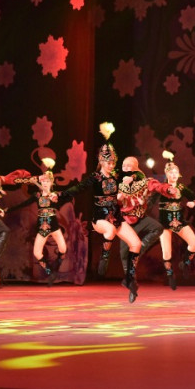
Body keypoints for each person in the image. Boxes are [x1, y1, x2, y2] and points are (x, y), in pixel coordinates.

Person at [60, 123, 143, 303]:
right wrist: (61, 194)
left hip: (116, 217)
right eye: (108, 162)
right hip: (100, 218)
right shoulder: (95, 177)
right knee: (110, 231)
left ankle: (129, 278)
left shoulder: (117, 175)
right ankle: (104, 257)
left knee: (136, 243)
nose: (111, 165)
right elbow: (79, 188)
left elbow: (139, 176)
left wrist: (132, 177)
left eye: (113, 162)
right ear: (101, 161)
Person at [16, 158, 68, 285]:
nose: (45, 183)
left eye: (47, 181)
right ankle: (50, 272)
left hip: (54, 226)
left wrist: (56, 197)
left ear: (51, 183)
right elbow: (23, 204)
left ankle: (56, 266)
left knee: (63, 249)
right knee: (37, 252)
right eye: (43, 181)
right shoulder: (37, 196)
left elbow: (63, 198)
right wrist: (7, 210)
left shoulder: (55, 195)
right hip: (42, 228)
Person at [154, 152, 195, 291]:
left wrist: (193, 203)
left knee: (194, 243)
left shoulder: (181, 188)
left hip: (178, 221)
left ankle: (185, 262)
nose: (174, 175)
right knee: (166, 253)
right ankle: (170, 275)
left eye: (176, 172)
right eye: (171, 172)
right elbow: (150, 200)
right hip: (164, 224)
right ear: (167, 174)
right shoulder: (161, 188)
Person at [117, 156, 164, 287]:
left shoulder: (141, 180)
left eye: (129, 166)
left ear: (135, 167)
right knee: (124, 253)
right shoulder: (120, 185)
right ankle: (130, 279)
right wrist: (118, 198)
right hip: (125, 222)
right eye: (124, 166)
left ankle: (141, 247)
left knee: (157, 228)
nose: (125, 168)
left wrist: (164, 189)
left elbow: (147, 180)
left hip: (140, 218)